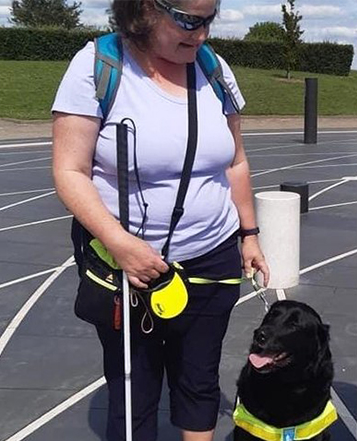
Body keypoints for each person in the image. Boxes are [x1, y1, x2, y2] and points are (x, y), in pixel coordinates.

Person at [52, 0, 269, 440]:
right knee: (134, 392)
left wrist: (249, 235)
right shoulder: (97, 66)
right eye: (188, 20)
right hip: (129, 265)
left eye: (209, 19)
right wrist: (121, 245)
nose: (202, 34)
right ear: (144, 10)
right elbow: (69, 171)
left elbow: (236, 163)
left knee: (199, 382)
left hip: (213, 258)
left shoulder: (214, 68)